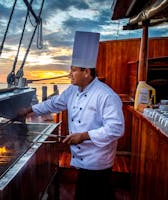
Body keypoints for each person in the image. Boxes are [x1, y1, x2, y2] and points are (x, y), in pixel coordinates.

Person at [20, 31, 124, 200]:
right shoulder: (73, 90)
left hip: (97, 160)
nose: (69, 74)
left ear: (86, 72)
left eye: (73, 70)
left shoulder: (106, 95)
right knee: (96, 192)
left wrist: (83, 136)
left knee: (93, 191)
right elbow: (53, 104)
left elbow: (116, 129)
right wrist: (29, 110)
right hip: (82, 159)